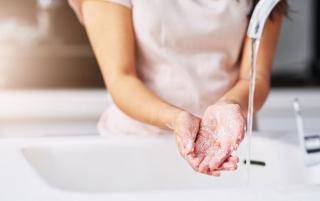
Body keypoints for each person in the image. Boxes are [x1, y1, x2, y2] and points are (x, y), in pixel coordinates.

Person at [68, 0, 287, 176]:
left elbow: (254, 78)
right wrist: (176, 119)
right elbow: (121, 79)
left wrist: (229, 105)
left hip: (226, 147)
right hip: (136, 146)